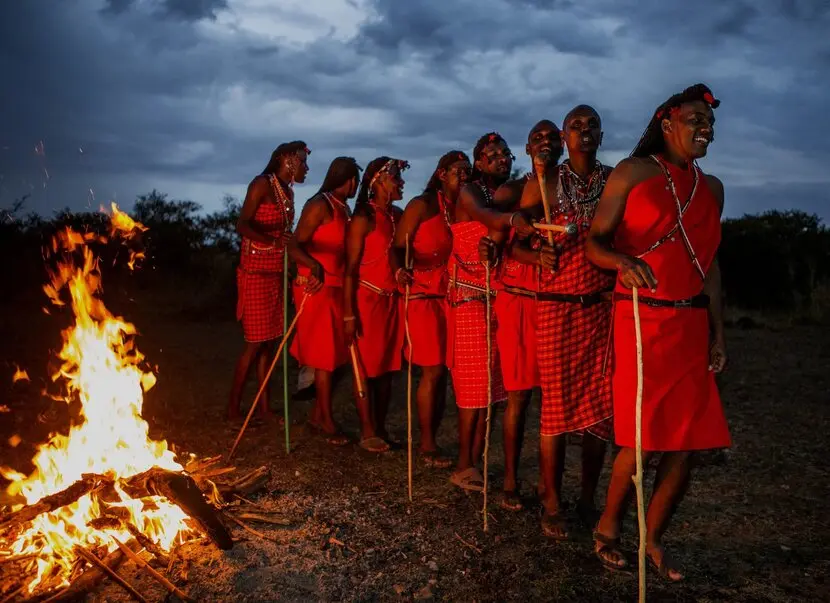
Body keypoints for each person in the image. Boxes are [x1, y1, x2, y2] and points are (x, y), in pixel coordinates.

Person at [586, 84, 730, 581]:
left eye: (709, 121)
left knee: (686, 444)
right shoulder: (633, 172)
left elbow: (709, 266)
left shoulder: (712, 188)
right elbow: (594, 245)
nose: (705, 127)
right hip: (642, 317)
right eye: (695, 118)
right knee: (642, 440)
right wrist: (622, 261)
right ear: (666, 122)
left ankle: (655, 538)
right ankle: (607, 529)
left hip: (691, 323)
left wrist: (718, 333)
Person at [513, 106, 616, 539]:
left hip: (600, 308)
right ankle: (551, 499)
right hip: (555, 305)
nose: (585, 131)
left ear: (601, 133)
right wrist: (537, 253)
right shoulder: (547, 183)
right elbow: (513, 243)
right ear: (564, 135)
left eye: (592, 124)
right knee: (554, 408)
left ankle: (589, 498)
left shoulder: (614, 181)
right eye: (576, 125)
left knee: (600, 412)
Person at [447, 132, 535, 491]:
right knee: (473, 388)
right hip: (469, 296)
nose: (501, 157)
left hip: (497, 294)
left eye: (505, 153)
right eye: (491, 154)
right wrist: (516, 219)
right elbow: (489, 218)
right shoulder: (471, 194)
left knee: (493, 386)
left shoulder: (510, 192)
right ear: (479, 163)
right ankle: (464, 464)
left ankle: (479, 458)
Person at [488, 120, 563, 511]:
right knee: (518, 397)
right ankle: (511, 480)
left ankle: (549, 485)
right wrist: (534, 254)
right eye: (538, 138)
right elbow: (501, 244)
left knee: (555, 399)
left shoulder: (572, 190)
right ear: (528, 145)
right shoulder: (513, 191)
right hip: (518, 299)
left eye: (553, 138)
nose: (545, 143)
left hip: (556, 303)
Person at [393, 150, 471, 469]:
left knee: (446, 372)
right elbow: (398, 247)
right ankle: (426, 442)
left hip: (450, 295)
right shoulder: (422, 205)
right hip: (423, 295)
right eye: (457, 170)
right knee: (433, 370)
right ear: (441, 173)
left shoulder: (464, 207)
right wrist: (401, 270)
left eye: (468, 170)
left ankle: (434, 436)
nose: (464, 175)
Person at [228, 141, 309, 422]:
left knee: (270, 343)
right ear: (286, 160)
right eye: (302, 161)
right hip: (255, 273)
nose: (306, 168)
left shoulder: (287, 190)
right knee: (253, 343)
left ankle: (264, 407)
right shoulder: (262, 184)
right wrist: (273, 240)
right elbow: (242, 224)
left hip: (276, 272)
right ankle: (233, 408)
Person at [288, 156, 362, 446]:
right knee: (323, 355)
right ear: (345, 178)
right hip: (316, 287)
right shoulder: (320, 204)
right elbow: (294, 245)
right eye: (353, 178)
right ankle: (326, 420)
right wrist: (313, 265)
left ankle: (318, 415)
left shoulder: (344, 208)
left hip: (336, 288)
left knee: (333, 355)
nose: (355, 184)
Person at [343, 157, 409, 453]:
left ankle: (380, 428)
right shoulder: (363, 218)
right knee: (366, 368)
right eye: (396, 177)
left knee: (387, 368)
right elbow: (350, 268)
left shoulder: (397, 214)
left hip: (392, 301)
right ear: (378, 182)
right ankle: (367, 430)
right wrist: (348, 314)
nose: (401, 182)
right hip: (366, 300)